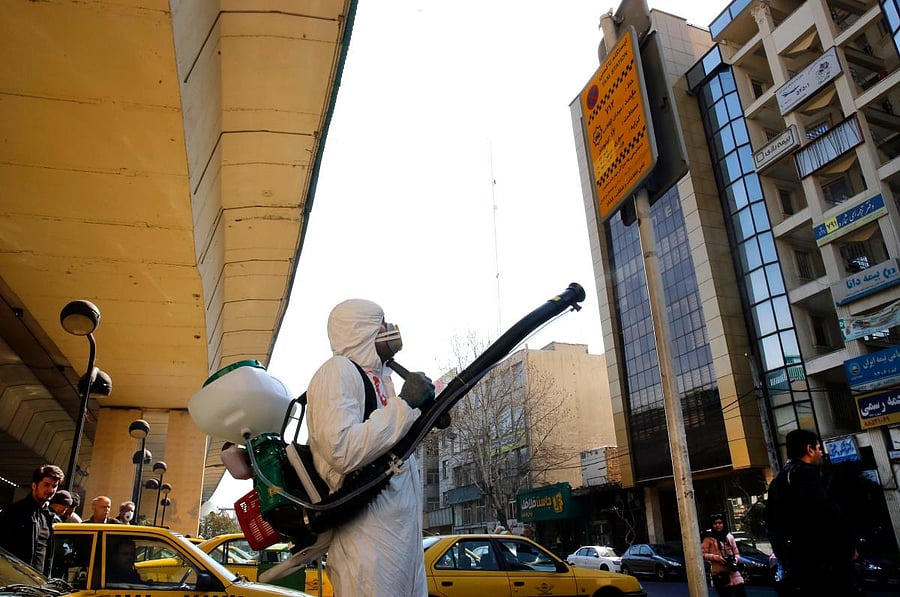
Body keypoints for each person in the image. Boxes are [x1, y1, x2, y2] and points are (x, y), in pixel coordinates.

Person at [307, 299, 433, 597]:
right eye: (382, 324)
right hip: (368, 544)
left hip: (399, 540)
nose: (389, 330)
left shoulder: (380, 379)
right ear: (361, 330)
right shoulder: (337, 372)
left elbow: (386, 437)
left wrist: (418, 410)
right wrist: (405, 404)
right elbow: (342, 449)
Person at [766, 428, 857, 596]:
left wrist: (787, 560)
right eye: (819, 448)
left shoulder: (777, 482)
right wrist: (849, 548)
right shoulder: (807, 475)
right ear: (809, 449)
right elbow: (829, 515)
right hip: (827, 564)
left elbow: (771, 527)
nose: (821, 453)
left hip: (800, 568)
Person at [0, 464, 64, 575]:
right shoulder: (14, 511)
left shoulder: (49, 517)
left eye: (54, 486)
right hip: (13, 579)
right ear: (34, 486)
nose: (51, 490)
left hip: (38, 582)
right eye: (46, 485)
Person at [701, 514, 746, 597]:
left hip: (734, 572)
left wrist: (734, 560)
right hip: (720, 574)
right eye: (715, 523)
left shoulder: (729, 536)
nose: (718, 525)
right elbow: (702, 554)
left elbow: (736, 553)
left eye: (720, 523)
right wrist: (718, 558)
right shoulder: (708, 537)